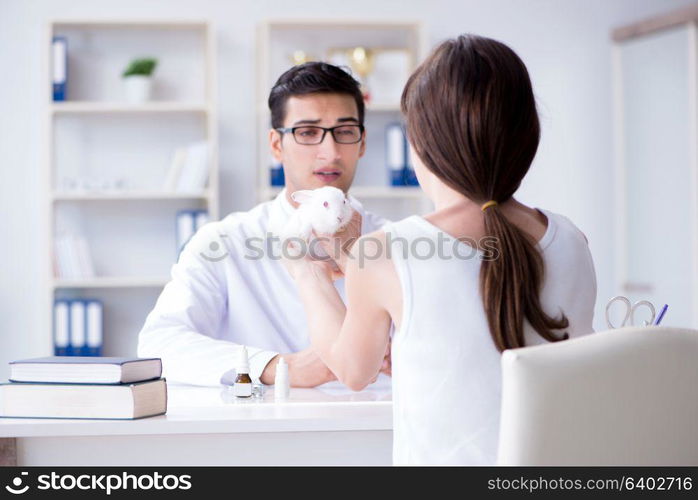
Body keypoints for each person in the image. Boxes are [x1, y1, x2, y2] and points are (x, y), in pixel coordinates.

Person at [283, 35, 597, 465]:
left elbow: (353, 371)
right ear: (527, 135)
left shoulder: (384, 251)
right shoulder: (573, 240)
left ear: (421, 143)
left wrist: (308, 273)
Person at [137, 62, 389, 388]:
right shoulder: (223, 242)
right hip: (263, 431)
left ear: (362, 143)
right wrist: (279, 367)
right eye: (308, 132)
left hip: (377, 429)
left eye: (344, 132)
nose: (330, 152)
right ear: (275, 145)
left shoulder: (396, 241)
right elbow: (158, 344)